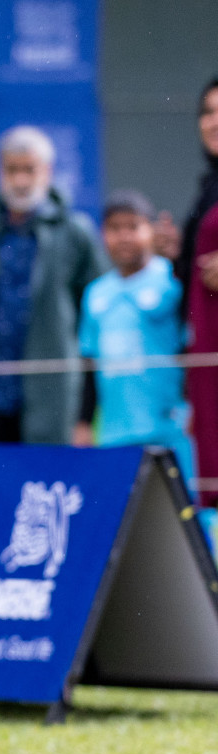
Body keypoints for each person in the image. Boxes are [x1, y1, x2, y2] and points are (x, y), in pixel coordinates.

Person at [0, 125, 108, 444]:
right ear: (0, 172)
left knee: (48, 480)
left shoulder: (74, 231)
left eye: (29, 170)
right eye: (12, 170)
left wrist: (84, 412)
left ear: (48, 172)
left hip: (52, 389)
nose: (20, 180)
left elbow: (95, 308)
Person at [75, 189, 194, 482]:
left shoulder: (173, 279)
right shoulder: (96, 294)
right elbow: (89, 362)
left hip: (170, 427)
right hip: (116, 431)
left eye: (133, 227)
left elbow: (191, 348)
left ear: (152, 231)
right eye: (115, 228)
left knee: (185, 512)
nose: (124, 236)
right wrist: (83, 422)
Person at [155, 78, 218, 508]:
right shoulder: (207, 188)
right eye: (207, 112)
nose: (213, 121)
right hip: (205, 361)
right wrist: (178, 255)